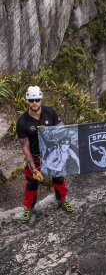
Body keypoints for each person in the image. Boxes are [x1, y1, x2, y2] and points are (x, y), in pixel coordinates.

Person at [16, 86, 74, 223]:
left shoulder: (50, 113)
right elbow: (25, 147)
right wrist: (33, 168)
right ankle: (29, 209)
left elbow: (61, 127)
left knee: (59, 178)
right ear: (27, 101)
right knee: (31, 182)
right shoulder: (22, 122)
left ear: (40, 99)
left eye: (37, 100)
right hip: (35, 156)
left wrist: (59, 132)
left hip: (52, 152)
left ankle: (62, 200)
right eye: (31, 100)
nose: (34, 103)